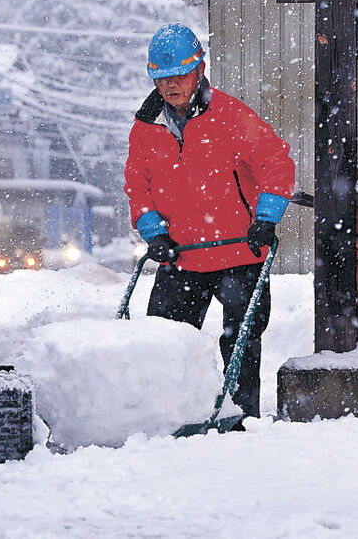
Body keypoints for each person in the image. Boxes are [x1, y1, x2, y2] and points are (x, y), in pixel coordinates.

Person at [123, 23, 296, 420]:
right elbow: (137, 187)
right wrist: (153, 233)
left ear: (199, 70)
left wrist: (266, 218)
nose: (170, 86)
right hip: (181, 256)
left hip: (240, 251)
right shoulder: (145, 129)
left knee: (242, 344)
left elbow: (277, 162)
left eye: (178, 76)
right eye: (161, 78)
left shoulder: (231, 116)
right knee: (163, 343)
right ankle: (168, 417)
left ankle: (241, 417)